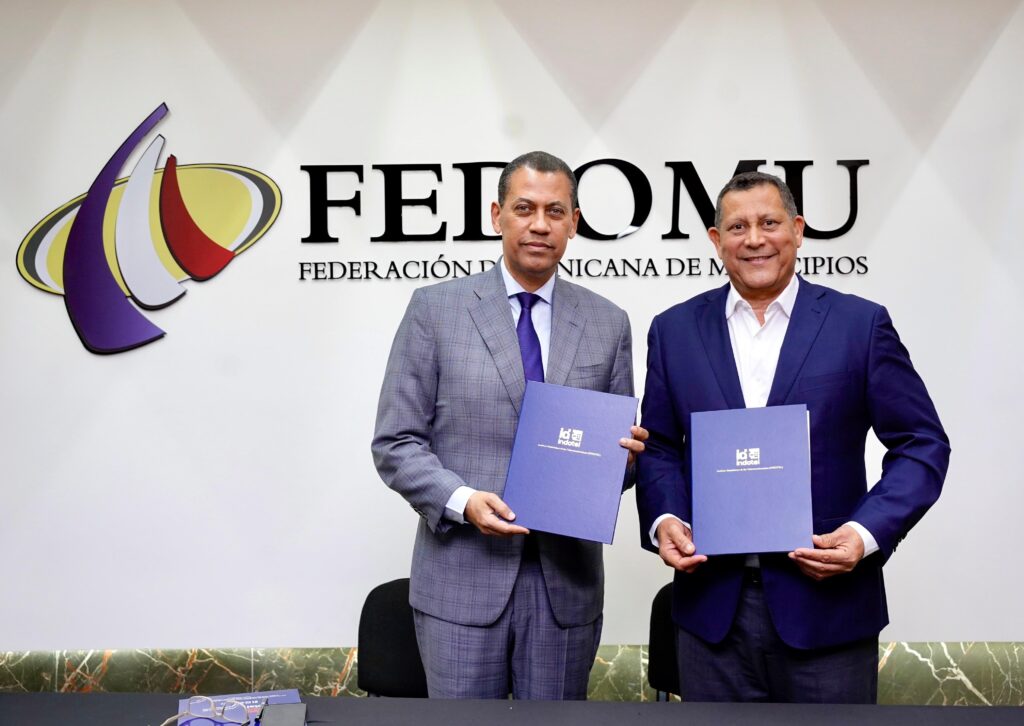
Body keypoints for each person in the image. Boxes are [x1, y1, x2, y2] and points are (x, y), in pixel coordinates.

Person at [635, 171, 949, 703]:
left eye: (769, 223)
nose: (754, 239)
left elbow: (922, 444)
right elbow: (659, 445)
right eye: (737, 227)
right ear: (716, 240)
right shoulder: (674, 331)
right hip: (710, 618)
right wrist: (665, 518)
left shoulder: (860, 325)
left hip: (830, 614)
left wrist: (864, 534)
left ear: (798, 230)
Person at [372, 151, 647, 700]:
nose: (540, 224)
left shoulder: (607, 323)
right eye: (524, 209)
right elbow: (396, 442)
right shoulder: (435, 310)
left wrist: (626, 461)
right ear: (497, 216)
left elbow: (613, 459)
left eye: (555, 211)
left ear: (574, 222)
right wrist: (463, 501)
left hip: (564, 590)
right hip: (461, 583)